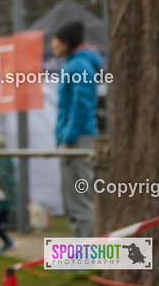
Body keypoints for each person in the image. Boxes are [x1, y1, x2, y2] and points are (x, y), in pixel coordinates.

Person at [53, 20, 103, 237]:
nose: (53, 44)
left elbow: (81, 105)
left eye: (57, 40)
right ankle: (79, 256)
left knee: (80, 202)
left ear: (67, 42)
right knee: (73, 201)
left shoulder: (80, 65)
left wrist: (70, 137)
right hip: (73, 139)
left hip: (77, 140)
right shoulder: (74, 63)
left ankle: (86, 259)